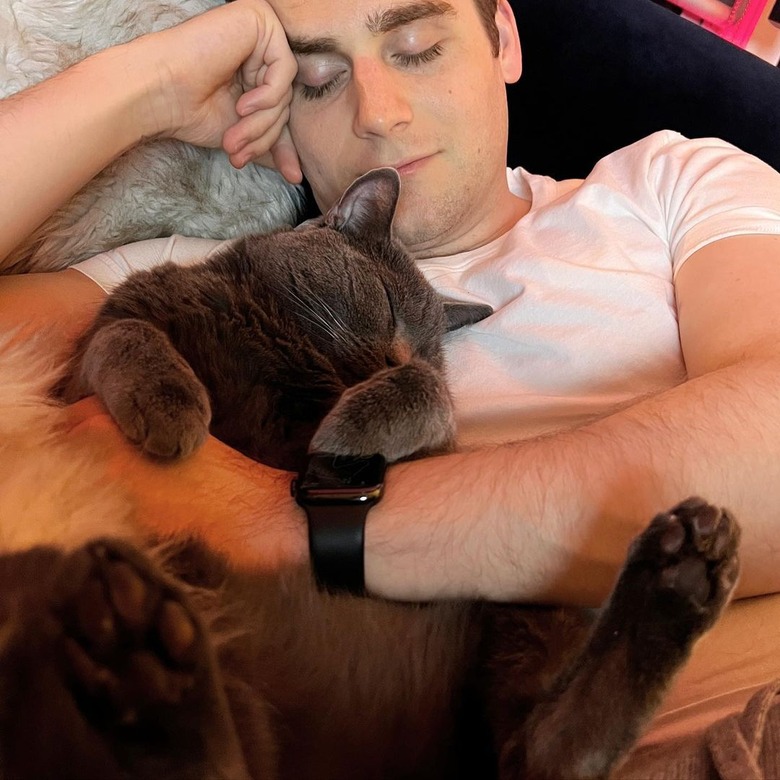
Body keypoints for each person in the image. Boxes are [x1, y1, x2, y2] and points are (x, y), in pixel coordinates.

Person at [3, 0, 780, 772]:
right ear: (279, 126)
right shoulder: (215, 271)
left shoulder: (667, 185)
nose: (377, 113)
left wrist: (294, 525)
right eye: (316, 80)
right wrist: (151, 84)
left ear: (503, 39)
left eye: (415, 48)